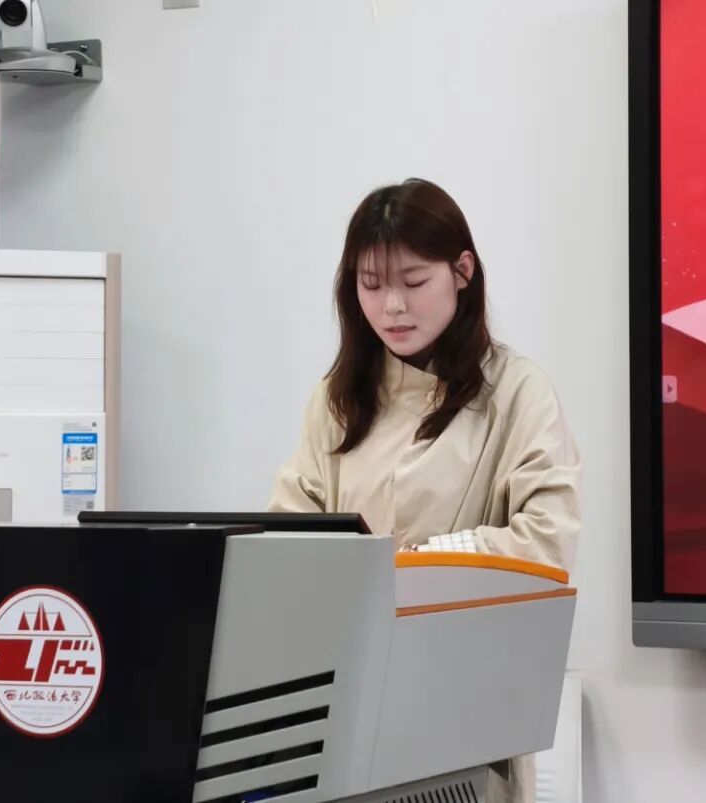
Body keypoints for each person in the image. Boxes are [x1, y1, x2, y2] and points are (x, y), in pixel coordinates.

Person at [268, 177, 581, 803]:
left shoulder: (518, 392)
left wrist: (422, 563)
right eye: (371, 284)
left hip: (465, 719)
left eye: (413, 282)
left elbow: (547, 545)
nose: (391, 307)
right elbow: (283, 544)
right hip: (345, 717)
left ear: (462, 271)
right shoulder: (337, 399)